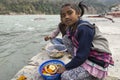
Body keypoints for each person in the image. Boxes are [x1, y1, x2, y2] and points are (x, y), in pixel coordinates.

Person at [56, 1, 114, 80]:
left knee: (65, 76)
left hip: (97, 60)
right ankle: (76, 62)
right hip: (86, 55)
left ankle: (94, 75)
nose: (66, 17)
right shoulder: (71, 28)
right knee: (65, 38)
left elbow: (82, 55)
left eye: (70, 13)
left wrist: (65, 67)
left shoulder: (84, 29)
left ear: (78, 13)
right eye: (63, 15)